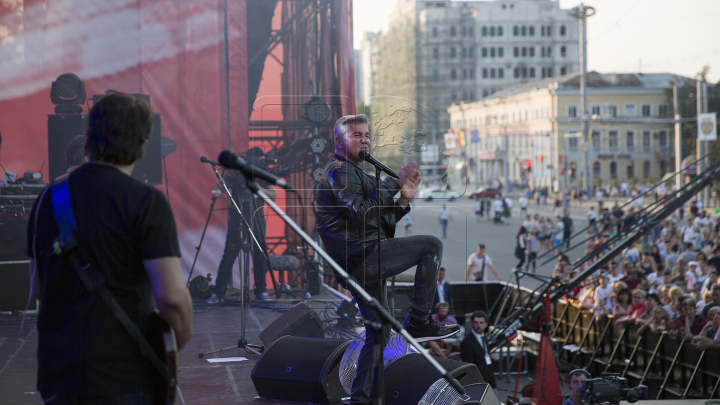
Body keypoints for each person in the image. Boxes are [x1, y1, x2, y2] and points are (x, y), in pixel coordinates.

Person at [26, 93, 193, 403]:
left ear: (89, 137)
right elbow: (171, 299)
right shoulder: (146, 202)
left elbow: (37, 288)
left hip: (58, 375)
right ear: (143, 144)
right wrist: (171, 349)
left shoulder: (48, 200)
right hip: (123, 375)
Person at [315, 114, 459, 404]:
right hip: (360, 258)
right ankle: (419, 320)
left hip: (363, 257)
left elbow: (376, 221)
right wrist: (393, 185)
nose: (365, 139)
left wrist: (403, 198)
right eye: (357, 135)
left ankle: (361, 397)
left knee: (378, 332)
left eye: (367, 134)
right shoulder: (339, 172)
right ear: (339, 141)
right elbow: (359, 212)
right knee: (431, 246)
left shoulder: (357, 173)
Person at [207, 147, 277, 303]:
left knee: (260, 254)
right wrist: (218, 192)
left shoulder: (262, 172)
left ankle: (261, 292)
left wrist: (258, 188)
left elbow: (273, 195)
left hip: (257, 218)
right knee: (230, 255)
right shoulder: (235, 171)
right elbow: (219, 186)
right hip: (237, 217)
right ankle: (218, 293)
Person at [460, 311, 498, 395]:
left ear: (486, 324)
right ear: (472, 323)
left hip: (486, 383)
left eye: (481, 323)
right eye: (476, 322)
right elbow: (469, 367)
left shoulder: (484, 339)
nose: (479, 325)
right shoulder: (467, 342)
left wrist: (494, 386)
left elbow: (489, 364)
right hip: (477, 384)